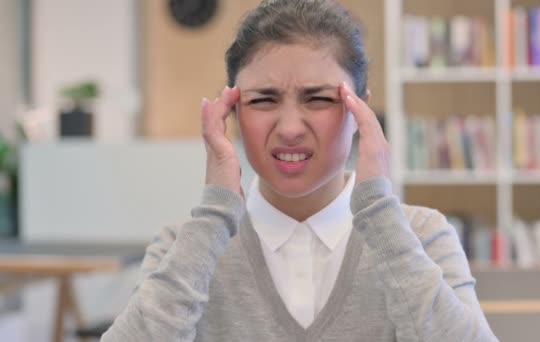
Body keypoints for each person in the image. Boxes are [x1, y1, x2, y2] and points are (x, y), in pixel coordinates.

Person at [101, 0, 497, 341]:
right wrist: (215, 215)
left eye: (319, 99)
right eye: (264, 100)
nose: (290, 128)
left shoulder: (422, 235)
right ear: (232, 111)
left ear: (362, 110)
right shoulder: (184, 247)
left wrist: (379, 210)